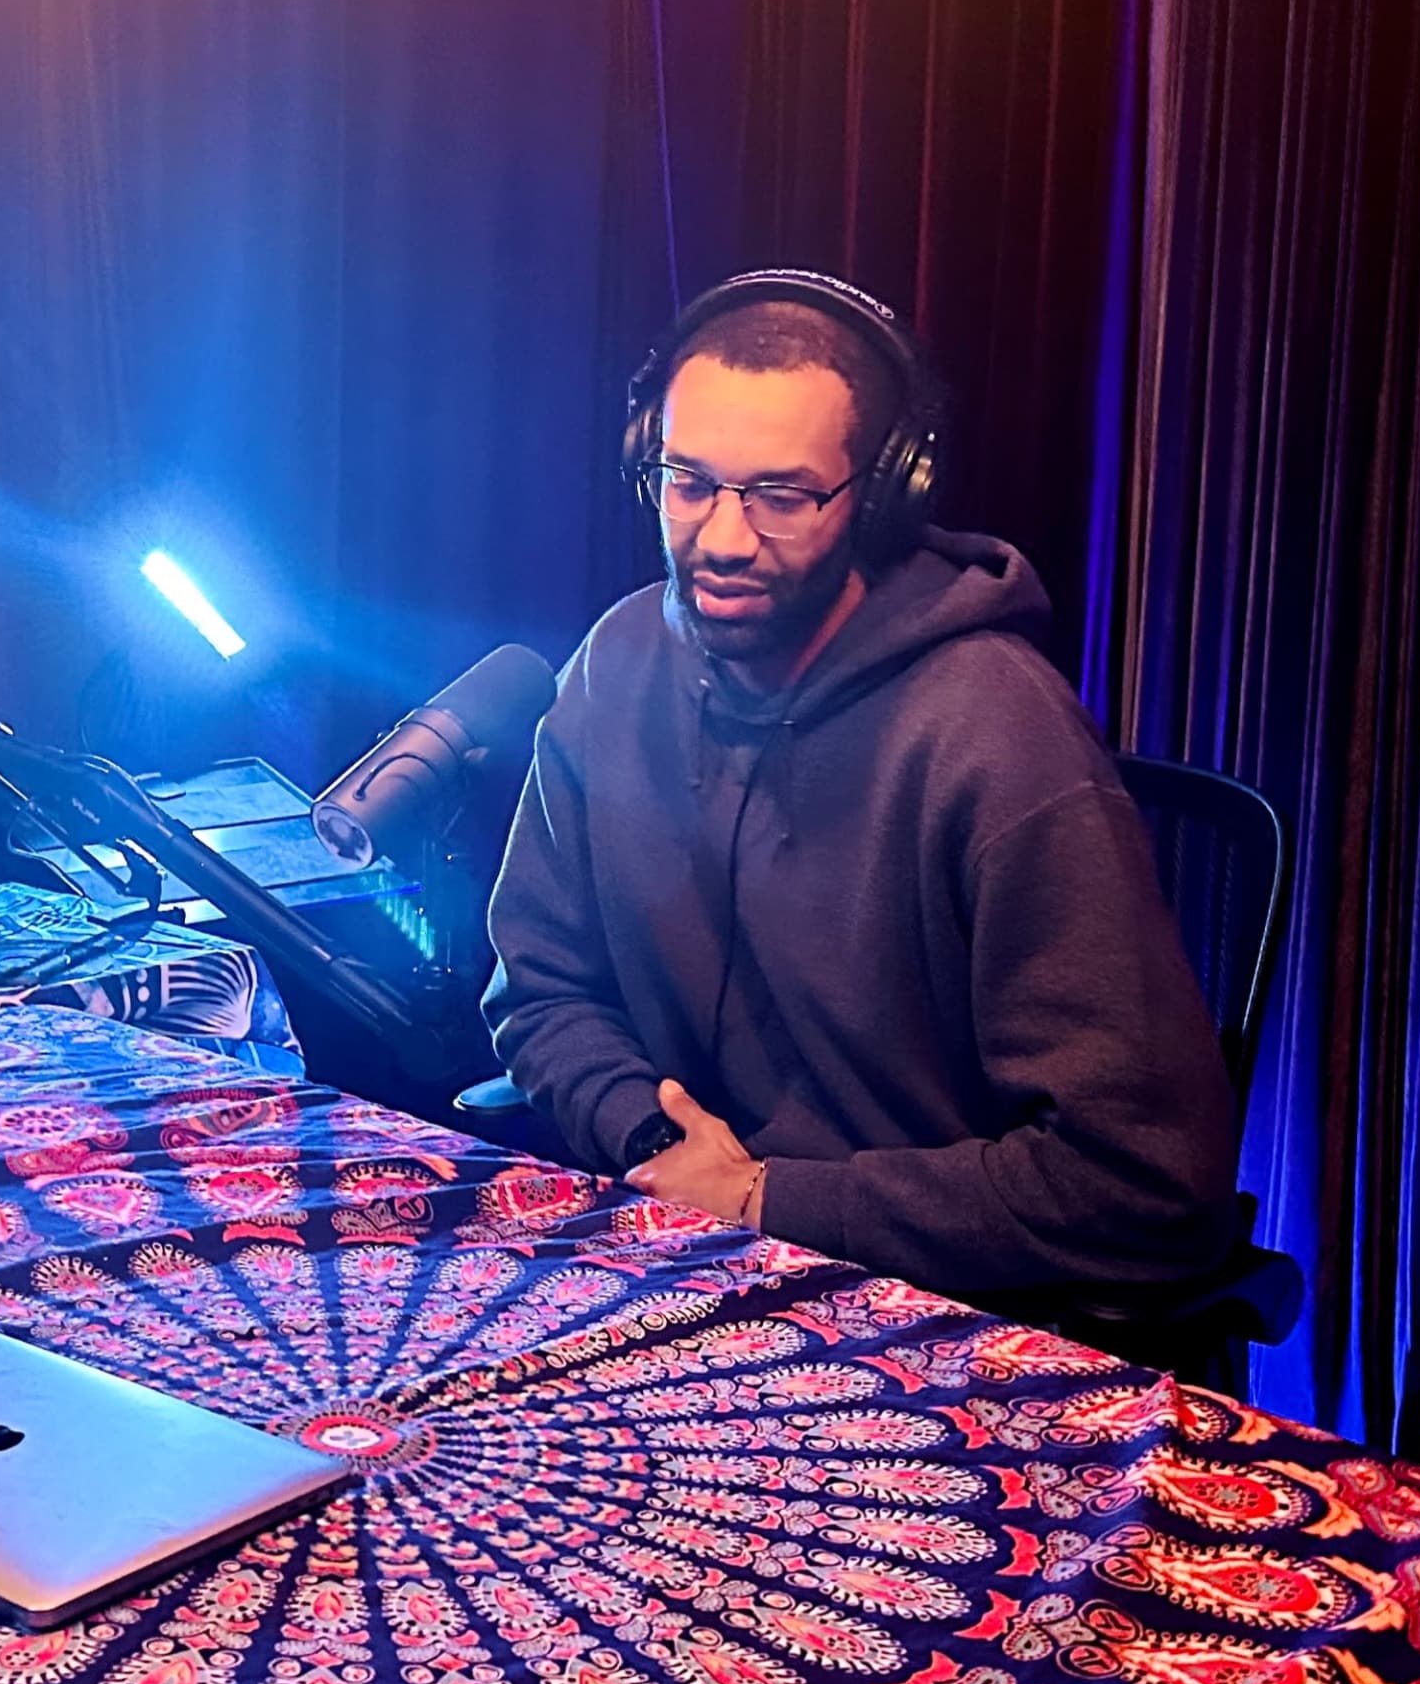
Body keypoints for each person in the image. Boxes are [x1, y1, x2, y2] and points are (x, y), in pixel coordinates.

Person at [483, 273, 1242, 1298]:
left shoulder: (998, 739)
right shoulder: (617, 662)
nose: (721, 537)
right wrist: (661, 1142)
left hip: (936, 1308)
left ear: (886, 496)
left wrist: (770, 1204)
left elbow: (1145, 1179)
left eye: (781, 496)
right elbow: (538, 983)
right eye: (687, 481)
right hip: (679, 1250)